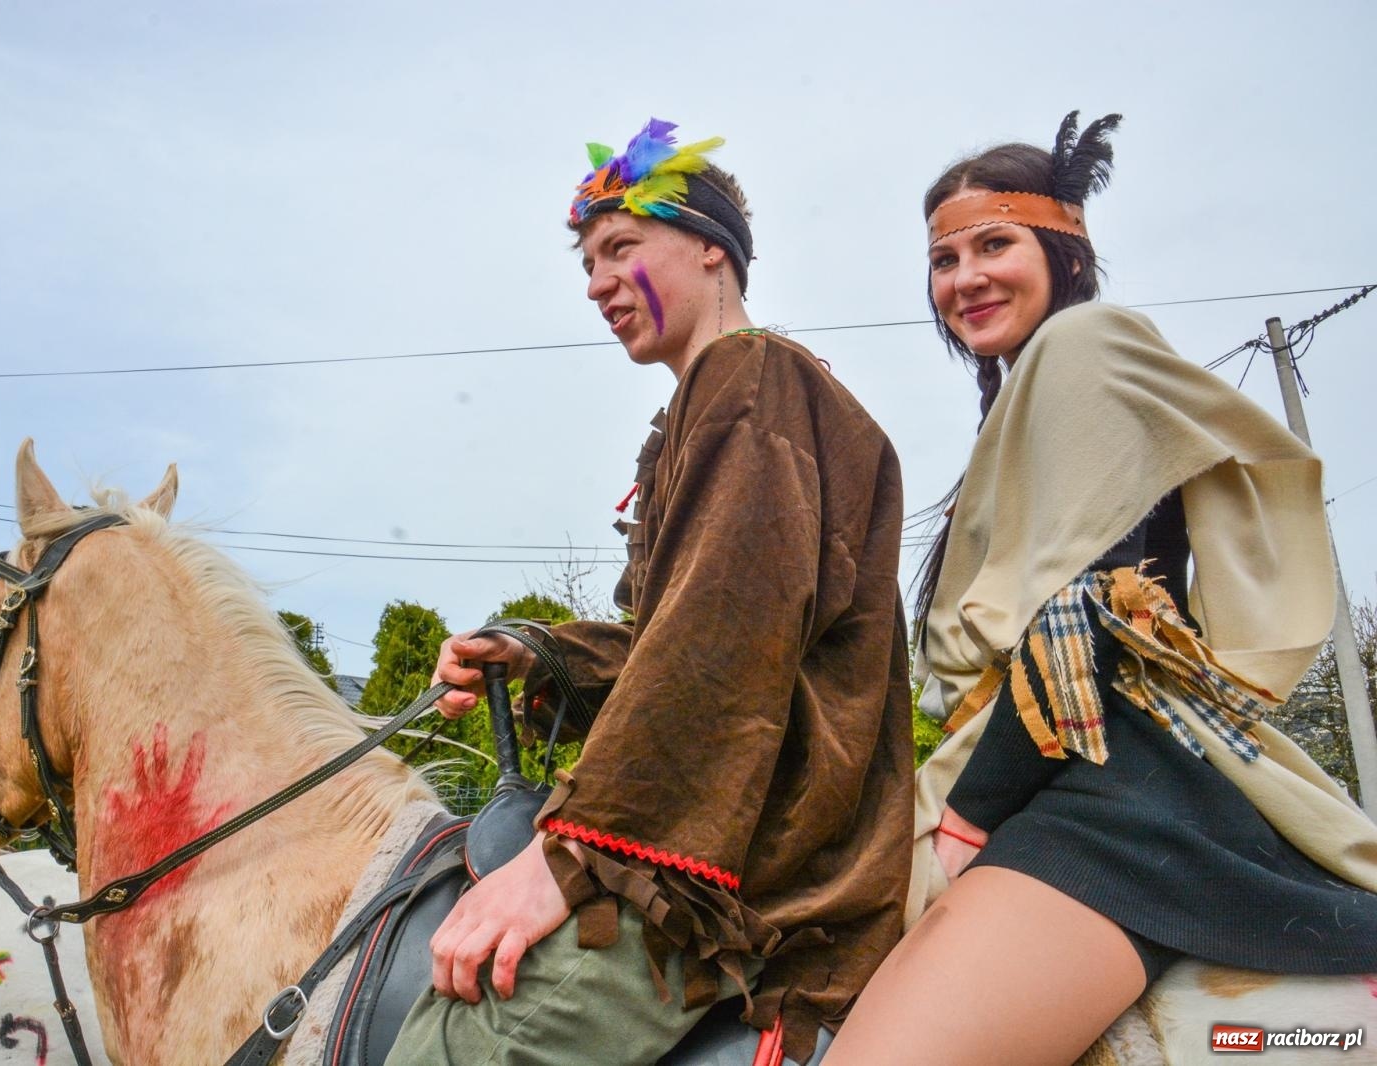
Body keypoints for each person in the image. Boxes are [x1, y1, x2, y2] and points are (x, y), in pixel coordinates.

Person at [827, 113, 1377, 1066]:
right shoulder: (1035, 393)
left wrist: (962, 822)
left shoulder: (1084, 346)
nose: (966, 279)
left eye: (995, 244)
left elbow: (1085, 622)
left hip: (1113, 800)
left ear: (1065, 251)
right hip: (1081, 773)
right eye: (944, 259)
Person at [387, 119, 913, 1065]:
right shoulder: (717, 403)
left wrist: (569, 854)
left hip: (746, 878)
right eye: (586, 262)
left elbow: (719, 642)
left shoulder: (754, 380)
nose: (595, 284)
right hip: (720, 833)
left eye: (619, 248)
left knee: (459, 1044)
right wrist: (537, 649)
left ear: (712, 247)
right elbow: (677, 632)